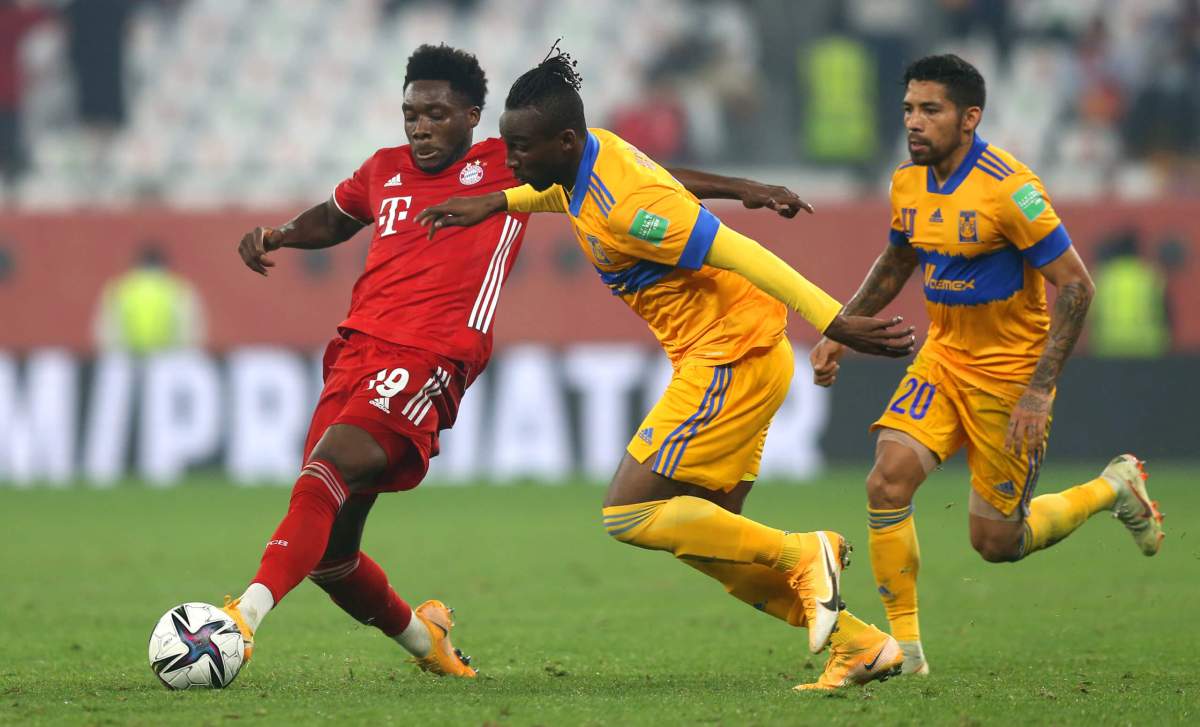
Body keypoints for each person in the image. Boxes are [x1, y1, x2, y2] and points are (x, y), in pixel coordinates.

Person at [222, 44, 839, 681]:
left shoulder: (516, 158)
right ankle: (425, 639)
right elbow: (337, 216)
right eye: (410, 113)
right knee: (328, 553)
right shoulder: (384, 169)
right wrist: (280, 234)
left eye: (436, 113)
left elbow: (644, 176)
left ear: (472, 116)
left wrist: (746, 191)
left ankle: (239, 620)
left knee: (328, 469)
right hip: (354, 350)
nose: (420, 126)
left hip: (431, 355)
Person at [417, 46, 918, 691]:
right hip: (745, 355)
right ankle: (859, 645)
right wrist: (499, 203)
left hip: (727, 355)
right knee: (711, 542)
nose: (511, 161)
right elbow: (646, 182)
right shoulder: (591, 154)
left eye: (522, 149)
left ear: (566, 140)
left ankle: (805, 551)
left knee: (627, 515)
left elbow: (740, 251)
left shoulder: (626, 208)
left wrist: (833, 318)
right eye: (508, 147)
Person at [807, 54, 1165, 682]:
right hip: (943, 357)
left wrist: (1039, 389)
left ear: (970, 118)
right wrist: (843, 328)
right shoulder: (907, 182)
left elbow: (1077, 289)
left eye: (930, 110)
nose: (914, 122)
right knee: (885, 482)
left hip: (1009, 374)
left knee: (998, 543)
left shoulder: (1010, 189)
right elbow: (897, 262)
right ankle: (907, 653)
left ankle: (1113, 487)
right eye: (909, 109)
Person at [93, 245, 206, 353]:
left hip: (128, 358)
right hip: (167, 357)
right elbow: (191, 330)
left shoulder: (121, 289)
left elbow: (105, 331)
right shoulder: (177, 288)